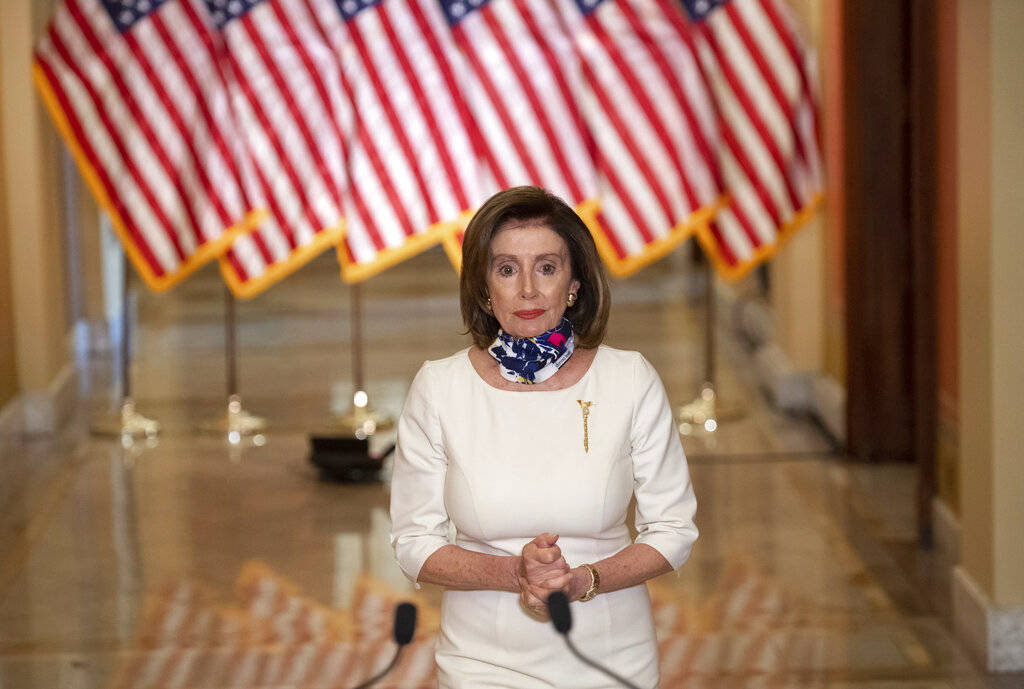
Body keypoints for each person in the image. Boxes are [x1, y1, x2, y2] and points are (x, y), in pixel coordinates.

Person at [389, 186, 698, 688]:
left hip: (611, 661)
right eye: (507, 269)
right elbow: (413, 544)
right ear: (485, 287)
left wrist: (583, 581)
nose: (528, 289)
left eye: (547, 268)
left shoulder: (629, 379)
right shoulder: (439, 388)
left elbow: (674, 530)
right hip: (480, 666)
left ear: (574, 283)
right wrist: (516, 574)